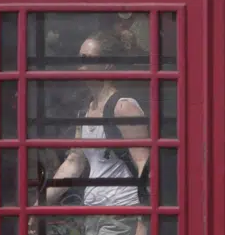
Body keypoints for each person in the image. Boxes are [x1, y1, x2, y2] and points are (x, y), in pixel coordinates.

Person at [30, 31, 149, 235]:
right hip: (93, 214)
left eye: (87, 59)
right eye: (79, 59)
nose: (80, 66)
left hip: (122, 214)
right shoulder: (86, 110)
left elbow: (145, 164)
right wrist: (39, 205)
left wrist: (144, 222)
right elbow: (74, 163)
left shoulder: (123, 107)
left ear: (108, 64)